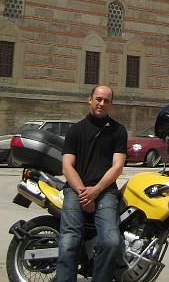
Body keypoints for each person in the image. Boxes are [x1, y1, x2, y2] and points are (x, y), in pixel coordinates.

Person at [56, 84, 127, 282]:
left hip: (105, 192)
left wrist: (95, 191)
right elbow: (67, 167)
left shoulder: (118, 131)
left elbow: (117, 166)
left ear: (111, 104)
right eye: (98, 99)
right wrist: (83, 193)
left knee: (112, 241)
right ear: (90, 99)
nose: (101, 103)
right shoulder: (75, 130)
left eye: (106, 101)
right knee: (69, 241)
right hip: (75, 190)